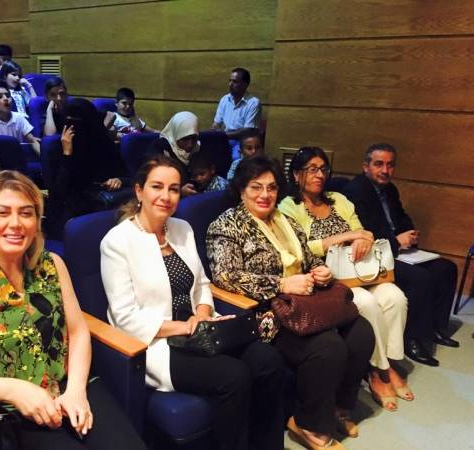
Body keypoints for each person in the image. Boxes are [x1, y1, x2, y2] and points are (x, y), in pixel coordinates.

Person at [0, 170, 148, 450]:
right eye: (2, 212)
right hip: (9, 412)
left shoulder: (52, 264)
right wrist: (13, 389)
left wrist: (76, 390)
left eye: (26, 213)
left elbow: (77, 331)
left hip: (69, 387)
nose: (15, 223)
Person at [101, 154, 286, 450]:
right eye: (157, 187)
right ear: (139, 191)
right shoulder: (117, 242)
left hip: (202, 330)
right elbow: (125, 318)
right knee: (234, 376)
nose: (166, 196)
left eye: (174, 189)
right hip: (157, 343)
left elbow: (201, 284)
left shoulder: (182, 229)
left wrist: (202, 314)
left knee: (268, 360)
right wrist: (187, 327)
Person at [206, 156, 375, 450]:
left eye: (271, 187)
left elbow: (309, 259)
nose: (265, 194)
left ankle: (338, 407)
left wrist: (320, 271)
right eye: (256, 187)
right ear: (241, 189)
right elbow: (225, 276)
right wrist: (281, 285)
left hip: (306, 303)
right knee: (328, 346)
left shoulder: (286, 220)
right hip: (266, 313)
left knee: (361, 332)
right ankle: (308, 423)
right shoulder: (226, 225)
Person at [278, 147, 412, 412]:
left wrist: (364, 238)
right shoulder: (289, 207)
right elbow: (300, 247)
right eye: (311, 169)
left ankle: (388, 363)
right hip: (326, 278)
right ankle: (379, 373)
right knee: (367, 304)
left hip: (359, 271)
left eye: (323, 169)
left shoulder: (339, 199)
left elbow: (363, 230)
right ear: (296, 174)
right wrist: (343, 237)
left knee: (395, 297)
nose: (319, 175)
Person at [343, 143, 460, 367]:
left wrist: (410, 233)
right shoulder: (355, 191)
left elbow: (401, 218)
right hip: (375, 256)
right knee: (420, 279)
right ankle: (412, 339)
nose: (385, 170)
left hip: (398, 250)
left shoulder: (390, 190)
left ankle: (435, 328)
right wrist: (396, 241)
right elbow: (365, 233)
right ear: (365, 166)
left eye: (390, 165)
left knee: (447, 268)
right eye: (379, 164)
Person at [47, 98, 130, 238]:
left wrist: (118, 180)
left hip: (108, 203)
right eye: (69, 122)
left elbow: (129, 177)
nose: (74, 128)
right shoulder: (57, 149)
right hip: (74, 209)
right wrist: (67, 154)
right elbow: (59, 193)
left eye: (79, 122)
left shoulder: (103, 143)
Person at [0, 80, 40, 156]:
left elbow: (32, 140)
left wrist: (44, 158)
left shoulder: (19, 117)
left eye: (8, 95)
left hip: (16, 157)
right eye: (0, 97)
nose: (5, 98)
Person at [211, 68, 261, 160]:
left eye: (235, 82)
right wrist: (216, 133)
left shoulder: (253, 103)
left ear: (245, 85)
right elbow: (216, 124)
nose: (230, 84)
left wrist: (222, 135)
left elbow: (248, 131)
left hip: (242, 141)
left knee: (236, 158)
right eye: (230, 81)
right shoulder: (225, 99)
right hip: (224, 139)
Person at [152, 111, 200, 196]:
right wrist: (179, 192)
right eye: (185, 139)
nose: (190, 144)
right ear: (175, 135)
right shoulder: (160, 148)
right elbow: (154, 183)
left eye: (194, 138)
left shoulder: (198, 147)